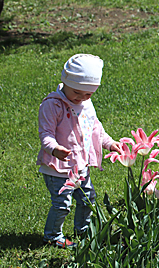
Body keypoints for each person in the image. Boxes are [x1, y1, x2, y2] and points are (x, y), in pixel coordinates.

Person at [36, 54, 121, 249]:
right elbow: (46, 134)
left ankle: (83, 230)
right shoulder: (52, 105)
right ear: (66, 81)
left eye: (88, 94)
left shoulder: (86, 104)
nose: (81, 98)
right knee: (62, 204)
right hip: (59, 168)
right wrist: (54, 149)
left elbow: (95, 128)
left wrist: (109, 143)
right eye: (77, 92)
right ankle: (52, 236)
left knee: (87, 199)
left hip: (80, 166)